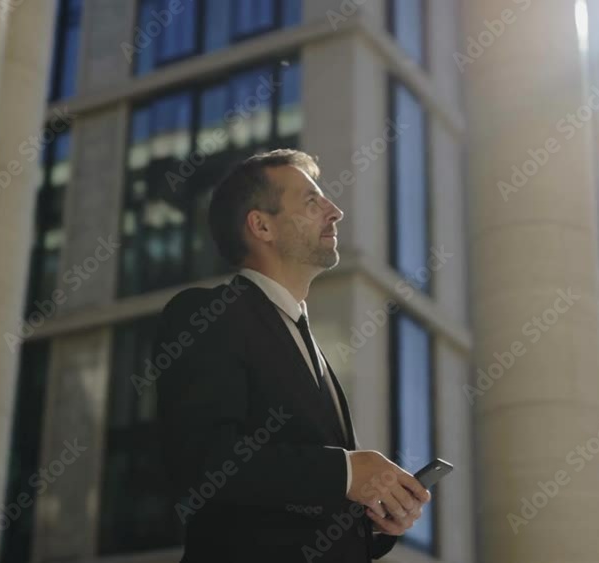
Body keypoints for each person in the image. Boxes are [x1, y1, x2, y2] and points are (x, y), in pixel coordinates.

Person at [154, 149, 431, 562]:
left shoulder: (307, 343)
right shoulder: (204, 314)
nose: (334, 211)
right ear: (261, 225)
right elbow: (204, 462)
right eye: (312, 201)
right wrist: (348, 472)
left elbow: (297, 505)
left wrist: (373, 520)